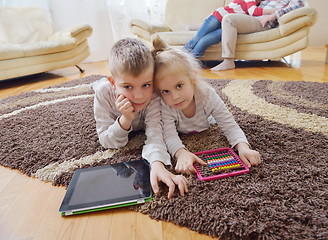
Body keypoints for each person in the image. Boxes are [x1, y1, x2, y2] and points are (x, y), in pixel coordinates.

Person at [92, 38, 188, 199]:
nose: (139, 95)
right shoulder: (104, 94)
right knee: (98, 86)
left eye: (146, 84)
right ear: (114, 83)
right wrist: (125, 120)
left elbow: (156, 132)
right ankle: (96, 82)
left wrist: (157, 164)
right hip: (104, 89)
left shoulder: (154, 96)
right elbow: (106, 141)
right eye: (128, 86)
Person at [152, 35, 261, 175]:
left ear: (193, 79)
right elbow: (169, 135)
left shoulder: (207, 95)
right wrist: (181, 153)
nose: (175, 96)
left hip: (207, 123)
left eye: (179, 86)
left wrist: (243, 147)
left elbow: (229, 124)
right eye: (166, 91)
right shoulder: (165, 105)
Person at [211, 0, 305, 71]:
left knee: (229, 19)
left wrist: (271, 16)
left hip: (263, 23)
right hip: (252, 18)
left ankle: (228, 61)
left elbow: (297, 7)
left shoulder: (294, 1)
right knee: (222, 19)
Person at [183, 0, 277, 59]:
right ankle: (177, 58)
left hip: (226, 26)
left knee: (204, 41)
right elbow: (253, 11)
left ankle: (190, 64)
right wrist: (274, 12)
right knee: (196, 39)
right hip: (218, 17)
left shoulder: (259, 4)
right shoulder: (252, 3)